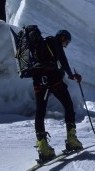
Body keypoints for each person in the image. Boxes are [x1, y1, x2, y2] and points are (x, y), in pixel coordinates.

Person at [32, 29, 83, 162]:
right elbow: (62, 58)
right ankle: (72, 140)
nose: (65, 45)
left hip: (38, 79)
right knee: (68, 104)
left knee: (40, 110)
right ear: (63, 38)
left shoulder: (41, 46)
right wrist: (71, 74)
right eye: (66, 42)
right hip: (51, 77)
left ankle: (43, 147)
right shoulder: (54, 41)